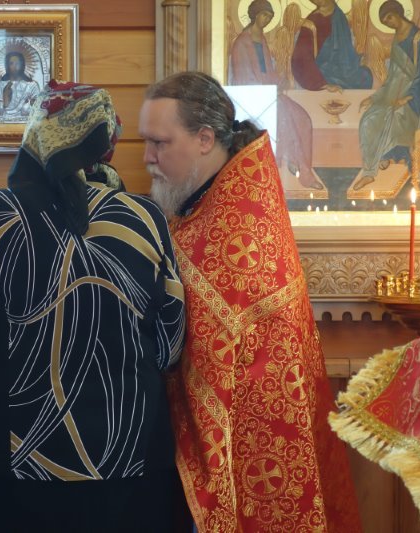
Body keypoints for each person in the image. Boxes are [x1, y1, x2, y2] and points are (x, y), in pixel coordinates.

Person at [0, 80, 188, 532]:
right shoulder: (146, 217)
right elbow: (170, 344)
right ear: (106, 142)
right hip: (130, 457)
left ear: (36, 134)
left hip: (12, 459)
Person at [139, 71, 362, 532]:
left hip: (251, 441)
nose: (147, 158)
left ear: (205, 139)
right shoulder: (206, 204)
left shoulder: (240, 224)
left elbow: (201, 346)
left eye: (159, 143)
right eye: (146, 142)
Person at [228, 0, 323, 190]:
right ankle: (303, 171)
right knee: (285, 118)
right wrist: (269, 89)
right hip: (255, 99)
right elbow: (242, 79)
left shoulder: (261, 39)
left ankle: (295, 160)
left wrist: (280, 81)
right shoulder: (241, 43)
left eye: (270, 17)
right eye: (264, 15)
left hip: (270, 94)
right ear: (255, 15)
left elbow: (268, 71)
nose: (267, 20)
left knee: (302, 118)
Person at [355, 0, 420, 191]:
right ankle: (379, 159)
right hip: (392, 93)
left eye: (389, 17)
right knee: (368, 120)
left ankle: (371, 171)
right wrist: (375, 97)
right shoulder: (397, 38)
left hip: (414, 98)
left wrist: (408, 97)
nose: (388, 23)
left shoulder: (417, 38)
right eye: (384, 21)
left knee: (392, 116)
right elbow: (392, 77)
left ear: (398, 13)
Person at [291, 0, 372, 91]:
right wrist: (321, 84)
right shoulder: (311, 21)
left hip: (342, 68)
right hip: (321, 72)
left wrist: (357, 60)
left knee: (365, 75)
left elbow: (346, 50)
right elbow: (301, 57)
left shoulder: (339, 16)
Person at [0, 51, 41, 122]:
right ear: (7, 66)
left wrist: (27, 106)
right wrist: (5, 102)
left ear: (22, 65)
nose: (15, 66)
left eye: (17, 63)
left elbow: (38, 108)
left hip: (25, 122)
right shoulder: (0, 85)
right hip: (4, 122)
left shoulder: (32, 85)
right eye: (11, 63)